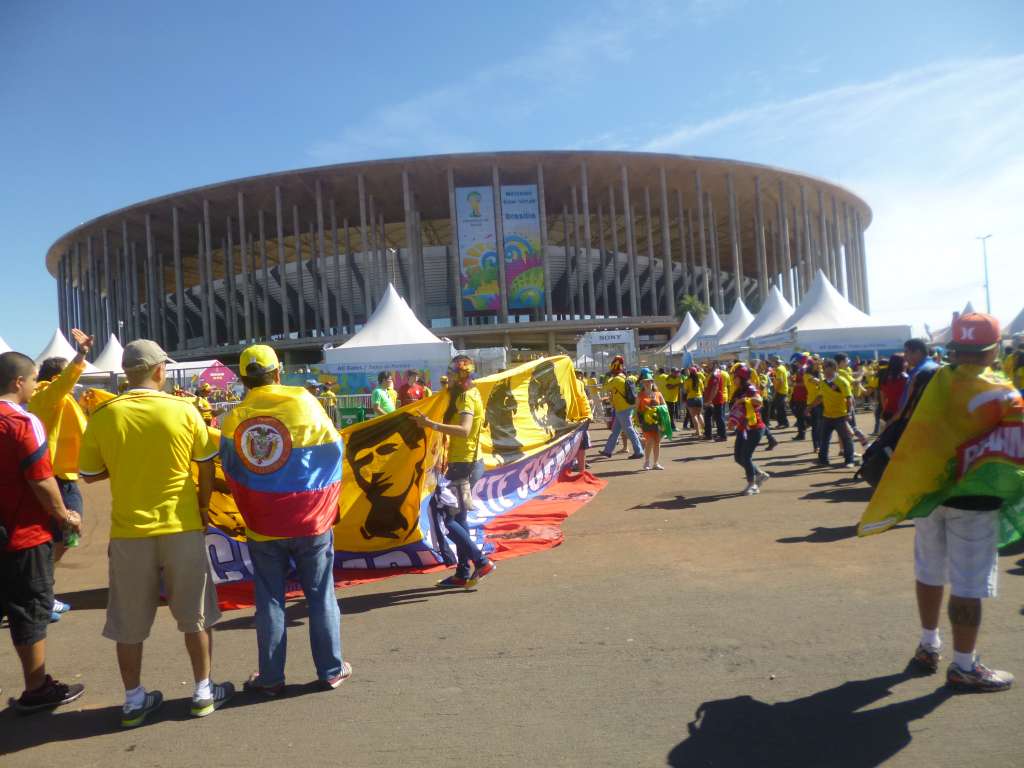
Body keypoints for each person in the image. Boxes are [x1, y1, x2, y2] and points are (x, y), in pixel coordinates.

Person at [79, 340, 232, 726]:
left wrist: (124, 465)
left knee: (128, 623)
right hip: (181, 526)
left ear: (127, 373)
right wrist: (202, 507)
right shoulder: (184, 409)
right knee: (196, 615)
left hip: (130, 533)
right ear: (160, 371)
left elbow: (89, 473)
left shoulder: (103, 415)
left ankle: (133, 700)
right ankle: (202, 691)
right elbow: (206, 464)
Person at [870, 313, 1018, 691]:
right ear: (993, 349)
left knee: (929, 570)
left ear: (954, 349)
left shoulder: (935, 382)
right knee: (968, 583)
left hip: (930, 492)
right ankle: (964, 665)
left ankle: (928, 644)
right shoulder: (1004, 393)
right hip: (975, 499)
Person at [221, 345, 351, 696]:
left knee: (270, 599)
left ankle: (271, 676)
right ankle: (331, 669)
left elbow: (232, 470)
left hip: (263, 522)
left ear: (244, 380)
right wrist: (322, 500)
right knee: (320, 594)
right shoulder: (304, 402)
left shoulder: (236, 417)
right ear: (278, 373)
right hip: (310, 518)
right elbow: (334, 450)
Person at [0, 351, 85, 713]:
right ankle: (37, 687)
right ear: (19, 382)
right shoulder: (23, 421)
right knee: (30, 612)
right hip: (24, 532)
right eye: (33, 380)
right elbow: (40, 478)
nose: (37, 386)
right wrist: (65, 515)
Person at [414, 355, 496, 588]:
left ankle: (481, 562)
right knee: (459, 520)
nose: (447, 375)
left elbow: (464, 429)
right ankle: (462, 572)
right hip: (467, 463)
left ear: (459, 376)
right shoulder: (467, 392)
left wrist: (432, 425)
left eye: (451, 372)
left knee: (445, 517)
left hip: (463, 467)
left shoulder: (466, 397)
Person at [28, 327, 93, 619]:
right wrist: (80, 355)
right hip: (52, 478)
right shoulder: (46, 395)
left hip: (65, 477)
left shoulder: (60, 399)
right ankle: (40, 596)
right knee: (58, 536)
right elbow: (65, 383)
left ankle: (42, 592)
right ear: (56, 376)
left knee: (64, 537)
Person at [727, 365, 769, 495]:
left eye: (735, 376)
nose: (733, 379)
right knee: (738, 457)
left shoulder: (750, 389)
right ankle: (760, 474)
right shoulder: (738, 390)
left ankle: (753, 485)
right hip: (742, 428)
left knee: (746, 456)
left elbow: (759, 400)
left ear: (741, 377)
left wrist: (745, 400)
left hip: (754, 428)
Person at [811, 358, 856, 468]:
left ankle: (849, 460)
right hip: (827, 416)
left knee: (846, 439)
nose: (826, 374)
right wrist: (809, 407)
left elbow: (849, 398)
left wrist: (849, 413)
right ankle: (823, 460)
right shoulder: (823, 382)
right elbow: (820, 397)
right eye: (825, 371)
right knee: (824, 439)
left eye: (828, 371)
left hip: (841, 416)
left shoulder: (842, 382)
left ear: (835, 369)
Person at [598, 356, 644, 459]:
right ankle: (607, 451)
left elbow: (604, 387)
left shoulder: (616, 379)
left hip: (623, 409)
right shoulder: (624, 376)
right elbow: (636, 380)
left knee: (629, 430)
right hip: (623, 408)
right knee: (615, 431)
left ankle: (639, 450)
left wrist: (608, 376)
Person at [636, 368, 667, 470]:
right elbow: (636, 410)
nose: (647, 383)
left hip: (658, 421)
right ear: (642, 383)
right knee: (649, 441)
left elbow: (665, 407)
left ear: (652, 382)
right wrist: (638, 421)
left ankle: (656, 463)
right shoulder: (640, 395)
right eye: (645, 382)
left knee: (657, 442)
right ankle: (646, 462)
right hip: (646, 422)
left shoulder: (658, 394)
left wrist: (657, 408)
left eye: (649, 381)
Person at [878, 354, 908, 427]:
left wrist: (885, 409)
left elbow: (883, 397)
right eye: (905, 361)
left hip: (888, 411)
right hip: (902, 413)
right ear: (901, 363)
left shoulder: (885, 377)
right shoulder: (906, 378)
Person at [702, 363, 727, 441]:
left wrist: (709, 400)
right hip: (713, 400)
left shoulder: (715, 374)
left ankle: (722, 435)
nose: (706, 368)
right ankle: (709, 435)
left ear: (713, 366)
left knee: (718, 417)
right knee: (710, 416)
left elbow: (715, 388)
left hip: (716, 400)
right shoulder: (712, 374)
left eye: (707, 366)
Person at [682, 367, 705, 437]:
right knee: (700, 414)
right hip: (699, 398)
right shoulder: (700, 380)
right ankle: (705, 430)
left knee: (694, 416)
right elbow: (703, 390)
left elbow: (685, 391)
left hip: (691, 399)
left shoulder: (687, 380)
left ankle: (698, 432)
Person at [769, 355, 790, 428]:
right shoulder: (782, 367)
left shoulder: (778, 369)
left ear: (775, 362)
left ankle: (783, 423)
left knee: (780, 408)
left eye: (772, 362)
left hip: (780, 391)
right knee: (780, 408)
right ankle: (783, 423)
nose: (771, 363)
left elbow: (780, 381)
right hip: (784, 389)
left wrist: (775, 391)